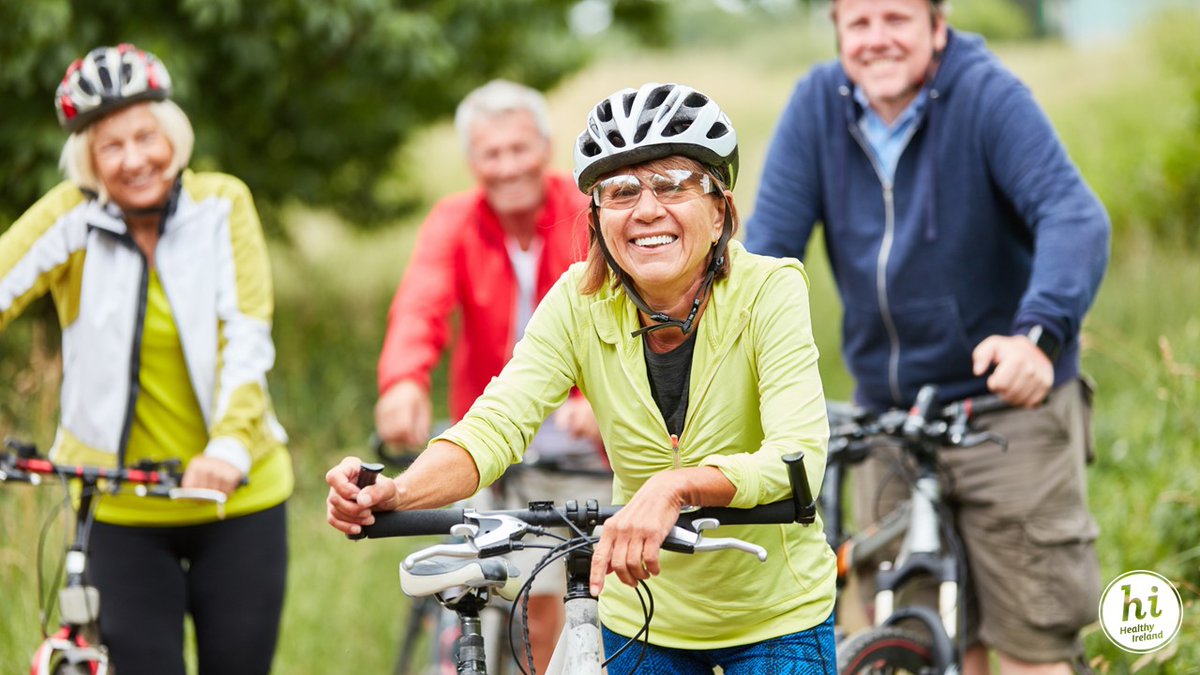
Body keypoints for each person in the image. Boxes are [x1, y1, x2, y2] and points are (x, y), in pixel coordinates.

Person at [331, 82, 839, 674]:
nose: (647, 210)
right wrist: (398, 491)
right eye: (621, 191)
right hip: (643, 615)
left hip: (775, 617)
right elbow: (495, 425)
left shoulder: (769, 290)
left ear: (720, 206)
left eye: (673, 183)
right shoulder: (577, 302)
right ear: (598, 218)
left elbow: (796, 456)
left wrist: (674, 487)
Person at [745, 1, 1110, 672]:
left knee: (1033, 646)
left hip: (1005, 408)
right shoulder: (816, 108)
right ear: (837, 31)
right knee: (912, 639)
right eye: (859, 23)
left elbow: (1072, 214)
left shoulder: (984, 94)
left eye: (897, 18)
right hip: (889, 415)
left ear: (937, 26)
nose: (877, 39)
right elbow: (765, 259)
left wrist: (1037, 336)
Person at [0, 44, 291, 675]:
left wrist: (229, 450)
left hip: (237, 499)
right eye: (112, 146)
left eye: (146, 136)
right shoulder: (71, 217)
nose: (135, 159)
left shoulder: (222, 205)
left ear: (174, 135)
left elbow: (247, 335)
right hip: (120, 506)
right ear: (88, 160)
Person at [373, 78, 610, 671]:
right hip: (490, 433)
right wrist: (403, 380)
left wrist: (596, 400)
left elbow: (617, 308)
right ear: (472, 161)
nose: (506, 167)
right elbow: (420, 305)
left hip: (584, 444)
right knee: (476, 583)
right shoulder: (456, 220)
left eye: (519, 149)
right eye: (491, 153)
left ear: (547, 148)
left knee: (553, 598)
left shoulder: (587, 213)